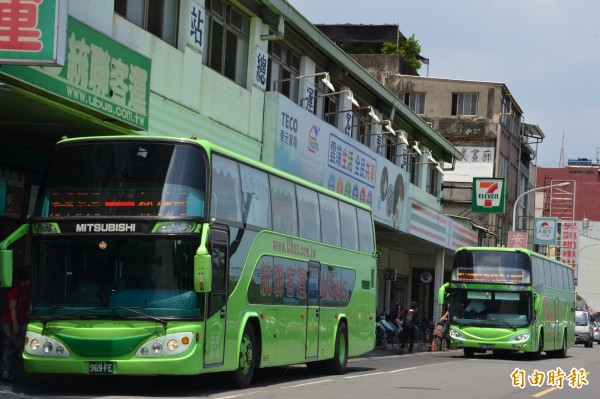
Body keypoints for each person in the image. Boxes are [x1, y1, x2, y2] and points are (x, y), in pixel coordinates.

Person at [1, 267, 31, 383]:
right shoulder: (15, 291)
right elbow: (12, 309)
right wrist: (15, 325)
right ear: (25, 280)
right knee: (8, 348)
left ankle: (9, 369)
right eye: (29, 280)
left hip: (19, 322)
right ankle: (5, 373)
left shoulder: (24, 291)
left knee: (14, 346)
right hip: (9, 323)